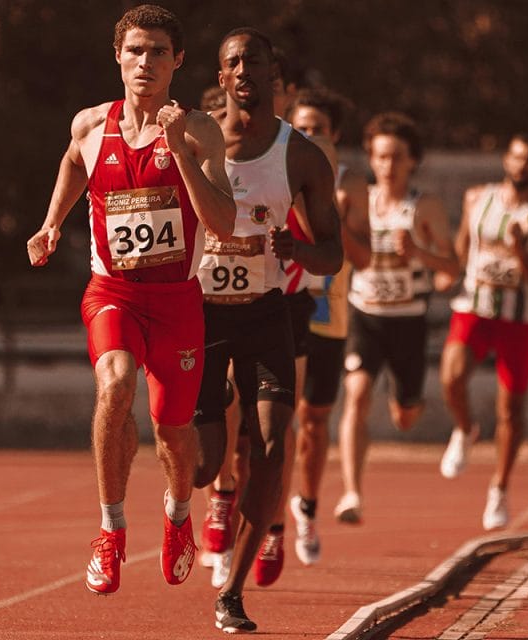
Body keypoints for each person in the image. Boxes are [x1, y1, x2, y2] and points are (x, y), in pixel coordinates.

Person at [25, 4, 235, 596]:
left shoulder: (200, 131)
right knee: (115, 385)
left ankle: (176, 518)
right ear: (117, 55)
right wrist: (51, 224)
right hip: (112, 291)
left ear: (178, 62)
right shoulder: (91, 125)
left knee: (173, 433)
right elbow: (72, 164)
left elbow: (220, 222)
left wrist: (183, 152)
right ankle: (110, 529)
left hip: (176, 302)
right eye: (136, 50)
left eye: (159, 52)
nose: (146, 62)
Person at [195, 28, 342, 633]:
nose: (244, 71)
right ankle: (190, 504)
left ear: (274, 75)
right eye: (233, 63)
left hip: (266, 312)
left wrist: (299, 247)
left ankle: (231, 592)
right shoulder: (195, 137)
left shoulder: (302, 155)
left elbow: (332, 255)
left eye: (254, 61)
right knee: (206, 465)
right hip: (201, 313)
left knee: (271, 448)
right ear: (222, 78)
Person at [333, 112, 459, 525]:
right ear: (371, 158)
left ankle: (403, 397)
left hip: (408, 320)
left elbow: (451, 269)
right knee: (356, 394)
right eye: (381, 157)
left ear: (412, 161)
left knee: (405, 418)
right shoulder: (358, 200)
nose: (388, 166)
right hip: (365, 314)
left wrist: (418, 253)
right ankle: (352, 492)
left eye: (397, 158)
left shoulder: (424, 207)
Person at [438, 133, 528, 531]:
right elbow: (460, 250)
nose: (522, 165)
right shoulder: (477, 198)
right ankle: (464, 429)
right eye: (517, 157)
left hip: (518, 318)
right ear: (506, 160)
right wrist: (444, 274)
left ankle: (500, 488)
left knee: (511, 410)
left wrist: (521, 251)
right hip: (474, 306)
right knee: (451, 378)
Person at [286, 87, 371, 566]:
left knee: (315, 420)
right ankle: (261, 512)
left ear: (335, 135)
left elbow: (364, 255)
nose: (310, 136)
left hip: (329, 313)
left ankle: (308, 506)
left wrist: (331, 213)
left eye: (318, 128)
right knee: (272, 417)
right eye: (301, 127)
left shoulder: (349, 183)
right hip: (283, 303)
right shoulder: (274, 171)